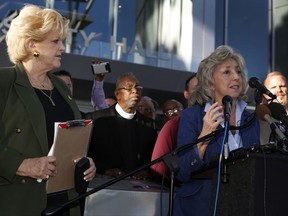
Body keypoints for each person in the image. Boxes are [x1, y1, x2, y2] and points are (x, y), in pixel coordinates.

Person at [0, 5, 96, 216]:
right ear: (32, 44)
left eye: (62, 40)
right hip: (19, 202)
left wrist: (85, 162)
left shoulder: (62, 87)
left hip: (66, 201)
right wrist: (22, 165)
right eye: (55, 41)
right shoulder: (4, 81)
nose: (63, 47)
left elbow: (68, 138)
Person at [173, 45, 260, 216]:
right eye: (227, 72)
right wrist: (204, 136)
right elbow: (182, 172)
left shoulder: (251, 119)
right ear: (210, 81)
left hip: (240, 206)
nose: (236, 77)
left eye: (238, 72)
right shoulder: (193, 116)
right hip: (200, 207)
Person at [86, 72, 158, 180]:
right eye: (129, 88)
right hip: (102, 186)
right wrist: (104, 169)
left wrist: (147, 172)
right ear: (117, 94)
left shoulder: (149, 125)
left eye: (138, 88)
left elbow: (153, 158)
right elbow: (85, 154)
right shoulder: (95, 119)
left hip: (138, 190)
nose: (135, 91)